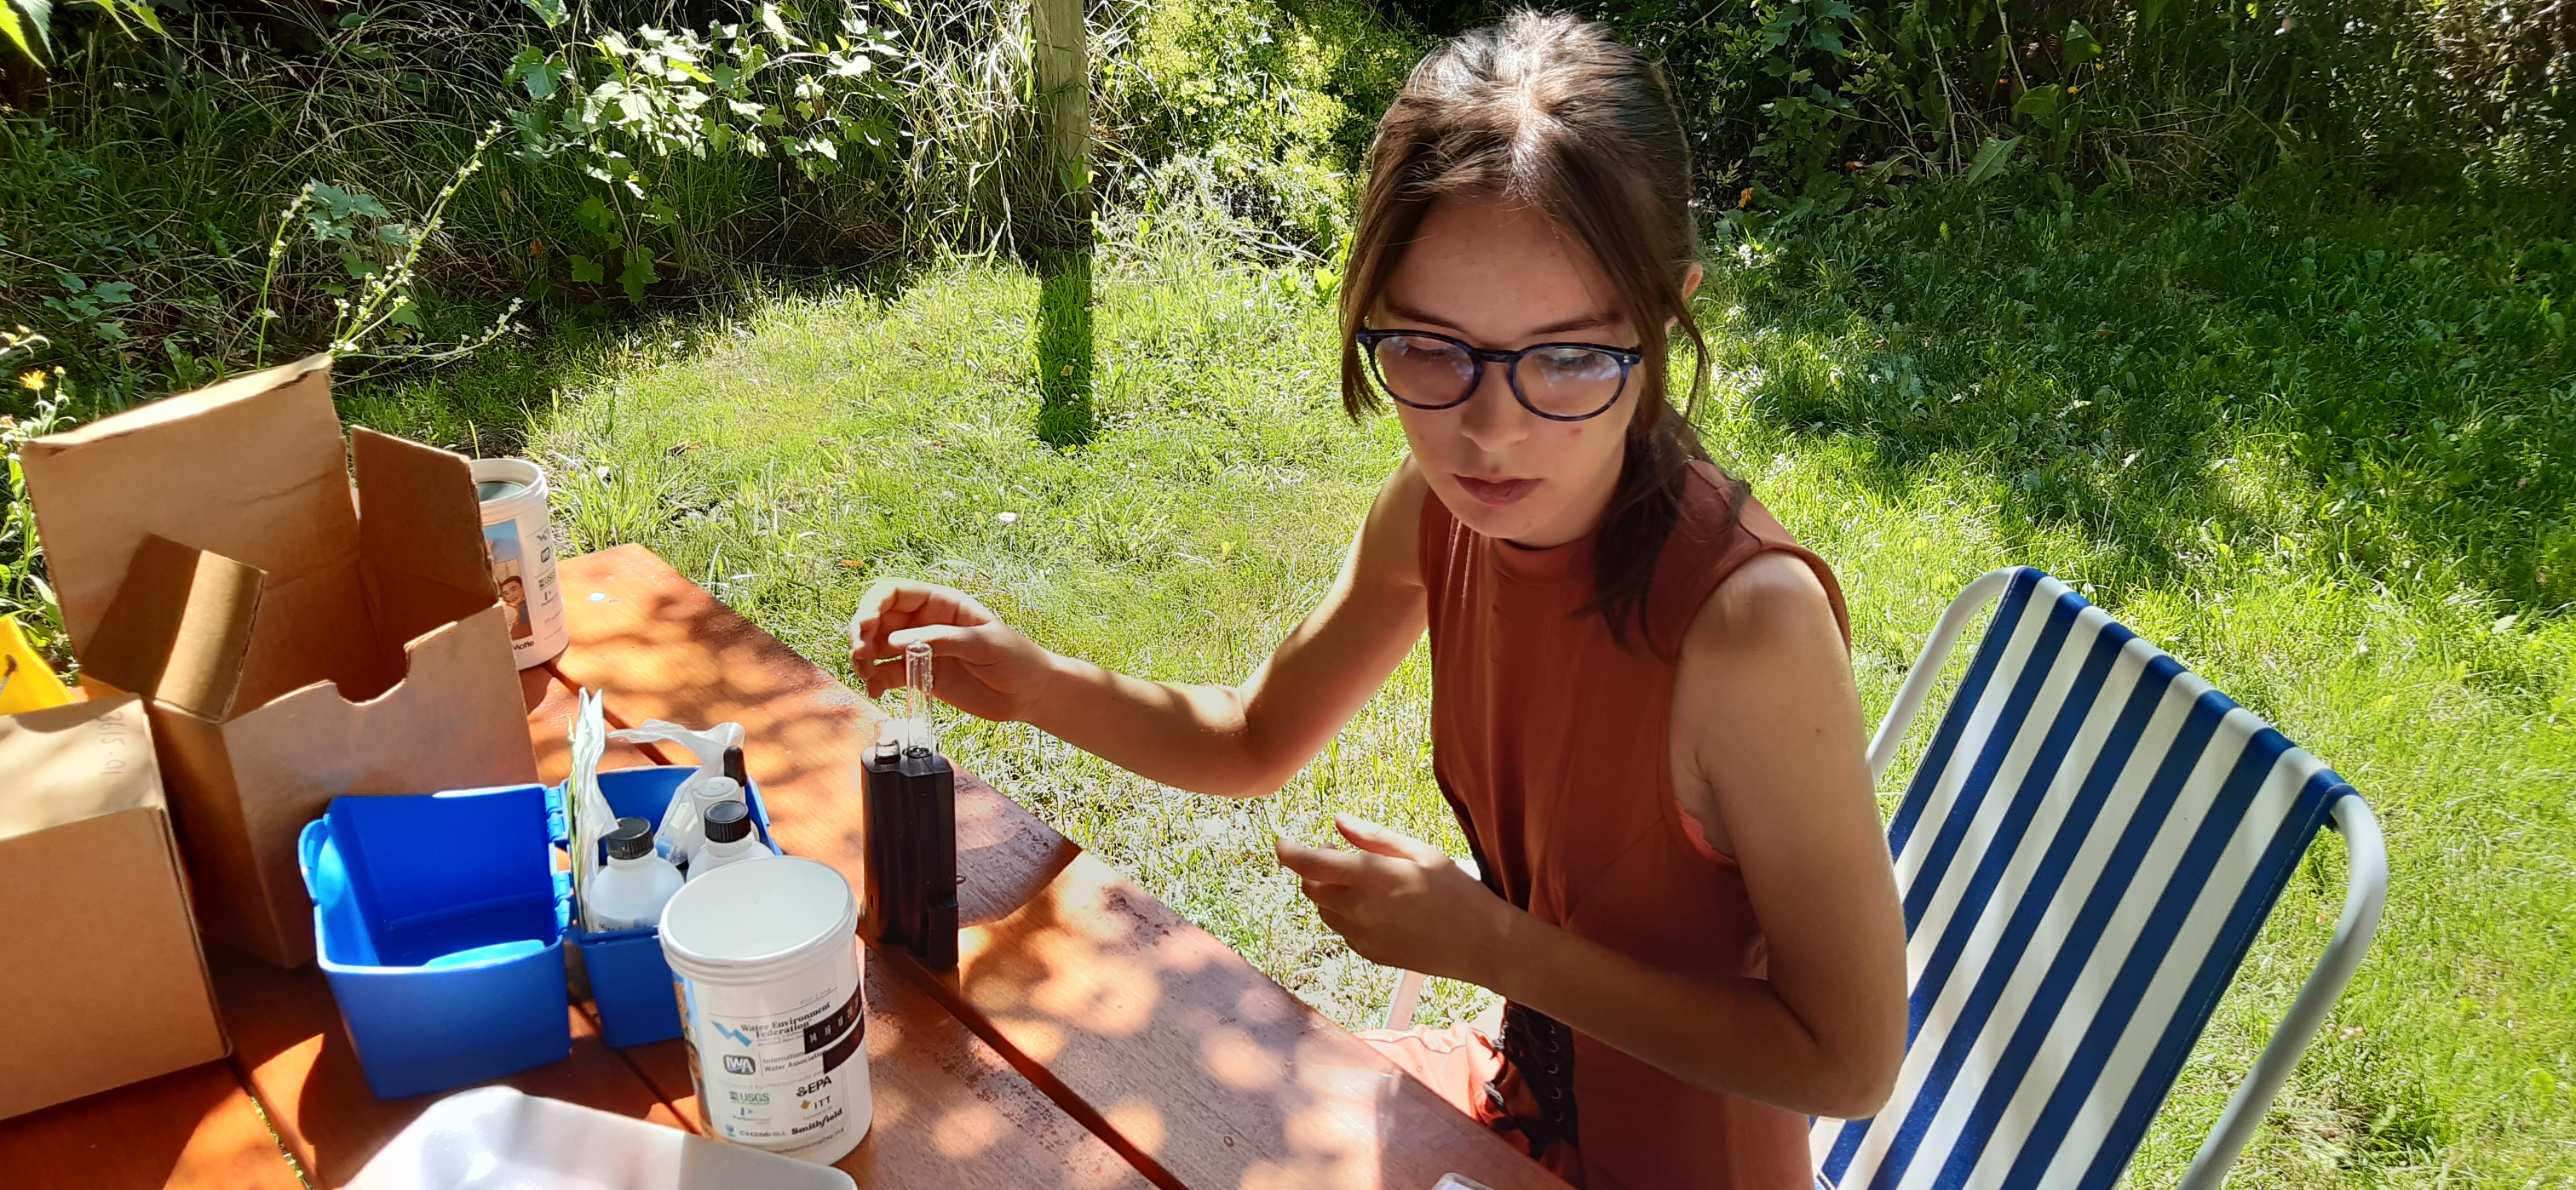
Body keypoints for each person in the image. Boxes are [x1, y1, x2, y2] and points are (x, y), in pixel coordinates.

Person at [850, 11, 1906, 1186]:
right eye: (1430, 348)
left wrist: (1492, 943)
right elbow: (1253, 735)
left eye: (1565, 355)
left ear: (1662, 324)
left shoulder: (1747, 626)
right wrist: (1037, 683)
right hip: (1499, 1113)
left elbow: (1850, 1060)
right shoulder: (1435, 512)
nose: (1488, 429)